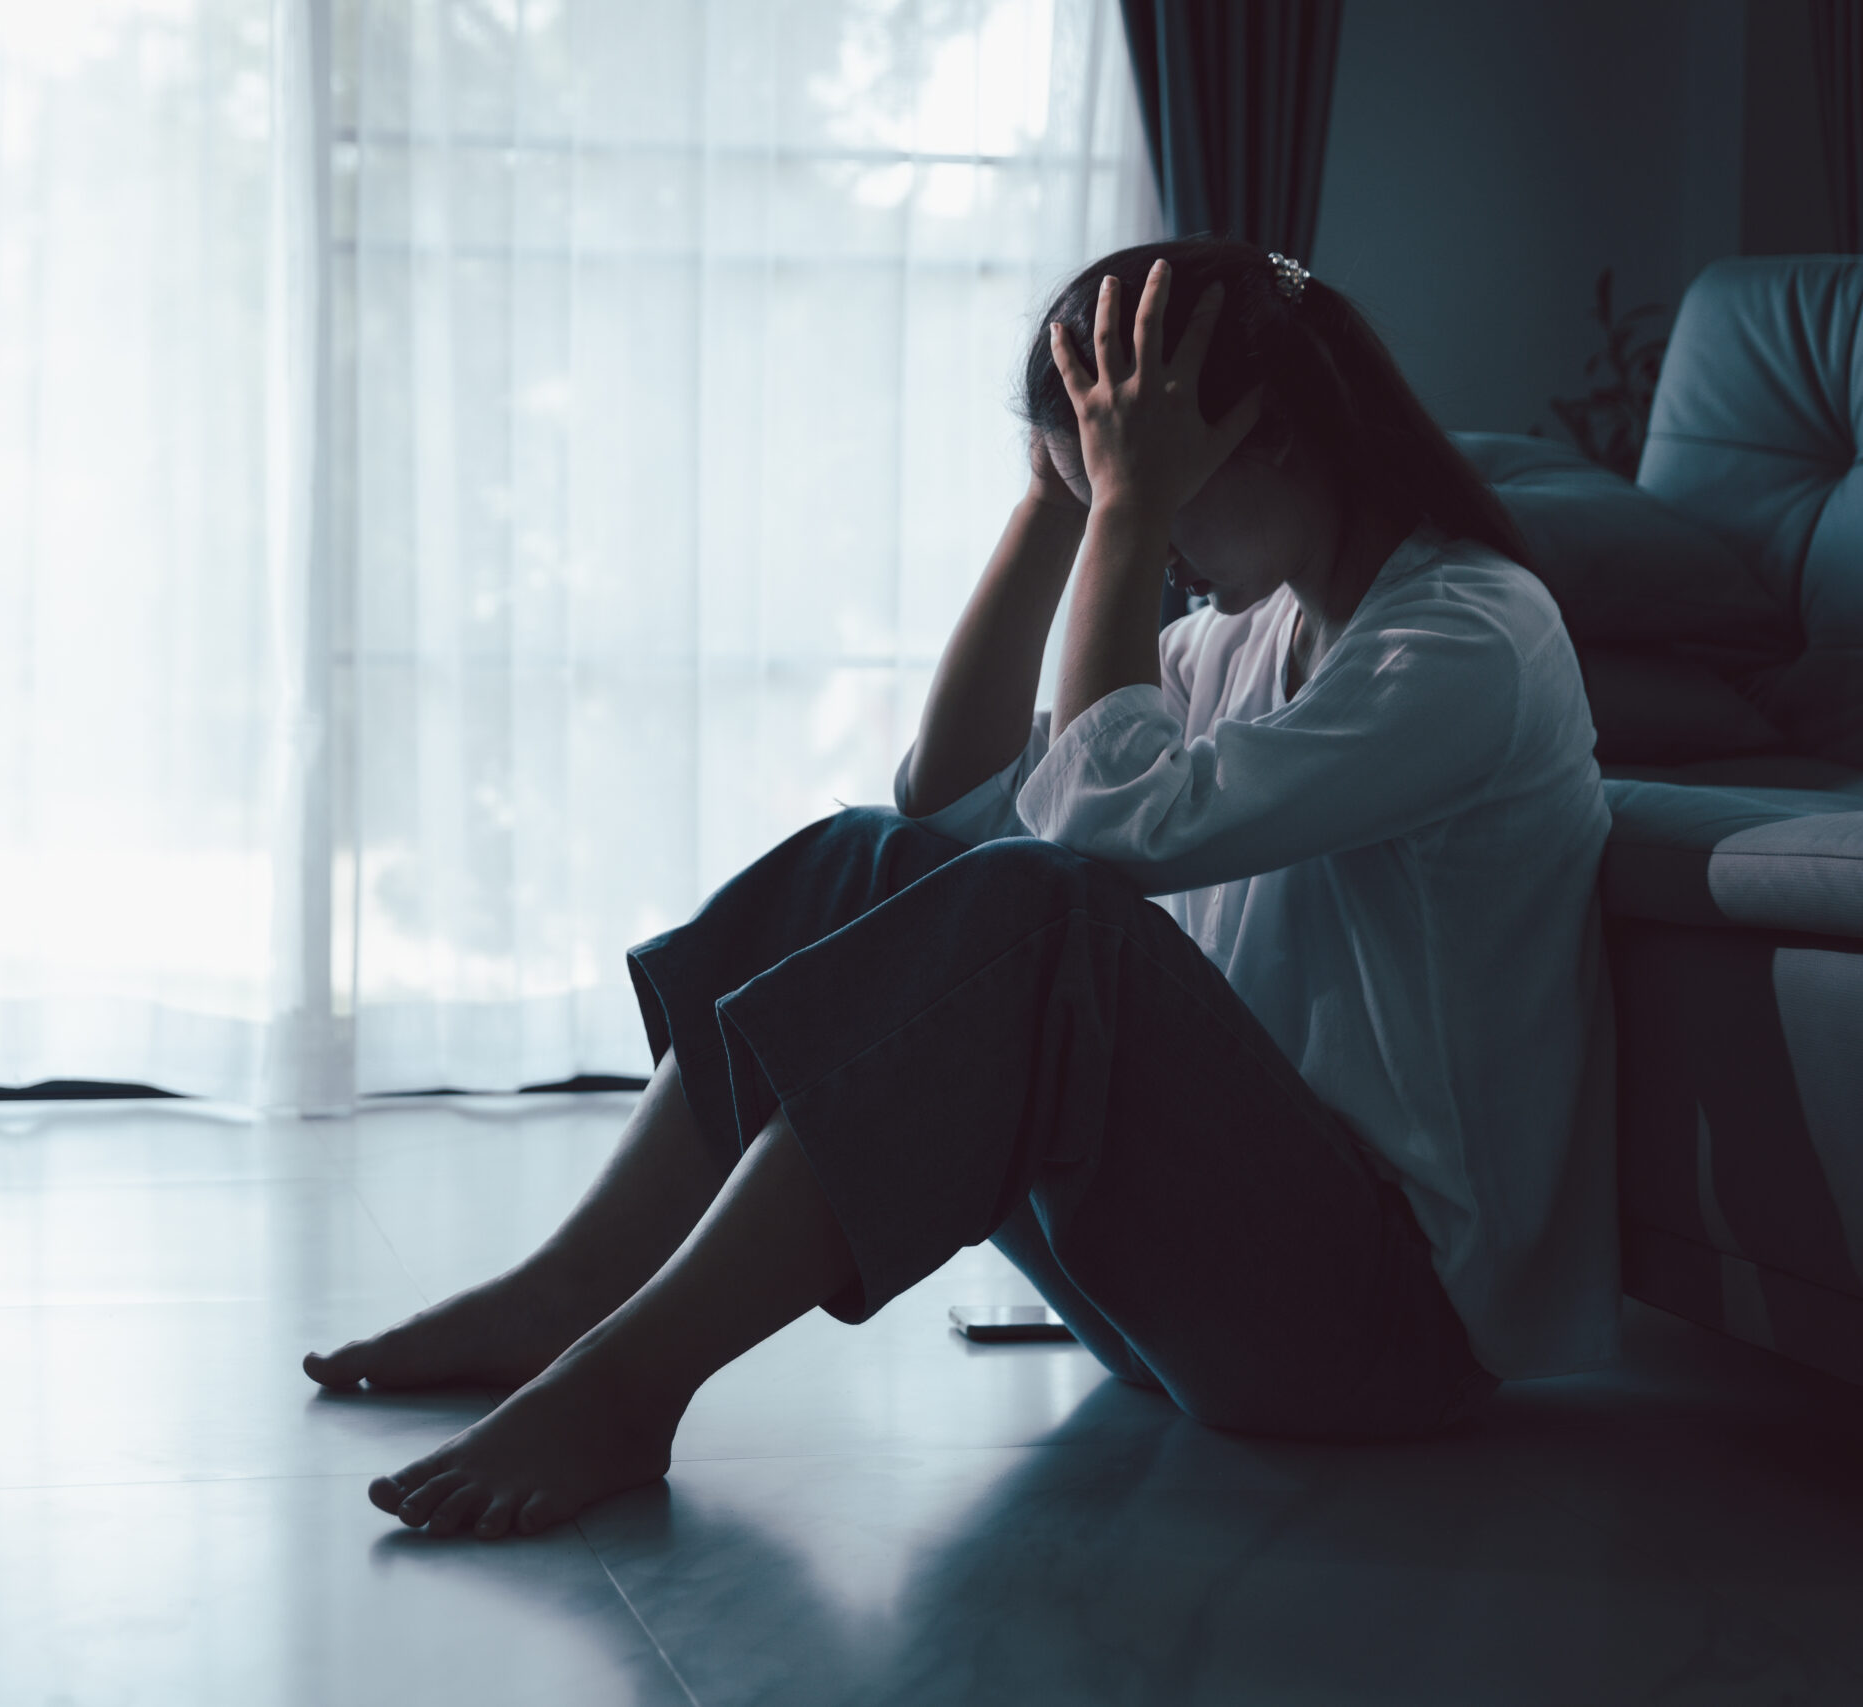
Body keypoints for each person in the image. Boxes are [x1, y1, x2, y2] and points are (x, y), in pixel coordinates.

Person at [303, 237, 1618, 1541]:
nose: (1153, 550)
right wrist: (1056, 506)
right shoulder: (1253, 632)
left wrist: (1126, 509)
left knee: (1047, 910)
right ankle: (568, 1292)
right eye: (1111, 491)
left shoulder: (1467, 641)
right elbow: (952, 800)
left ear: (1266, 438)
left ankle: (632, 1385)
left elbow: (1099, 834)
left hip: (1382, 1332)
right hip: (1216, 1296)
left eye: (1152, 494)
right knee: (867, 857)